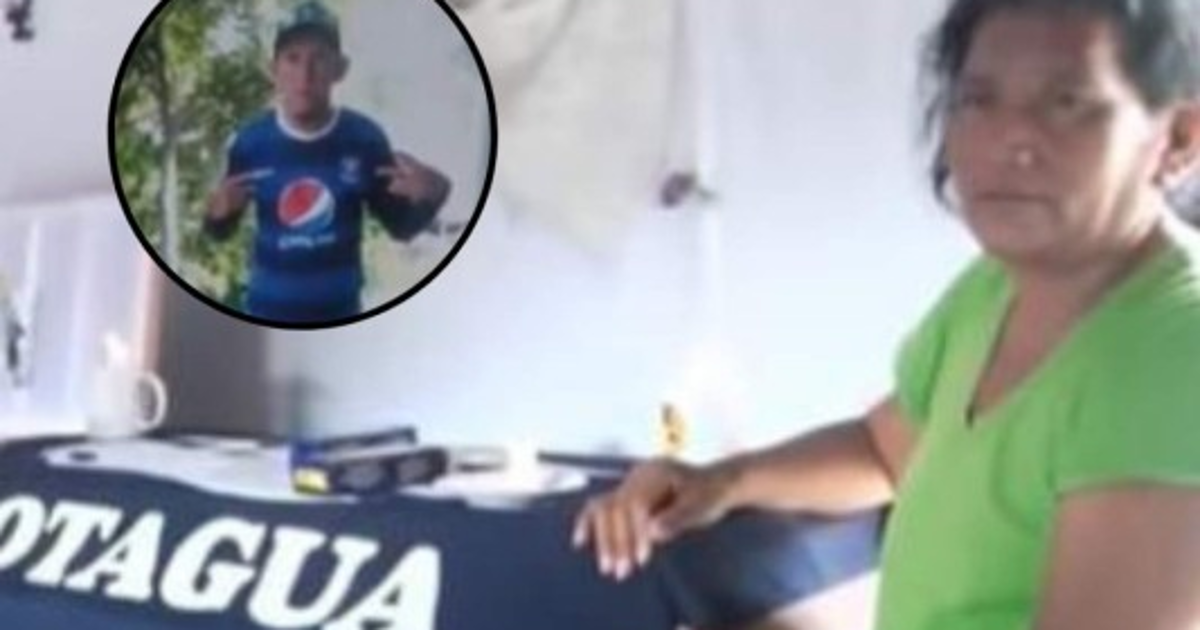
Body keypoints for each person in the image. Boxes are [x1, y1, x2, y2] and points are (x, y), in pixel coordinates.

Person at [572, 1, 1200, 629]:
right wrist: (721, 482)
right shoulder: (996, 289)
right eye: (978, 100)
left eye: (1066, 103)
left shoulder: (1171, 354)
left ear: (1177, 139)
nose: (1009, 137)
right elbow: (886, 449)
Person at [204, 0, 451, 324]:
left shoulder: (365, 138)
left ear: (340, 68)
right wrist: (216, 215)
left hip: (341, 316)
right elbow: (219, 230)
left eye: (319, 58)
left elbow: (401, 227)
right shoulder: (250, 142)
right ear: (273, 69)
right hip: (264, 314)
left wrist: (433, 194)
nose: (305, 75)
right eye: (292, 58)